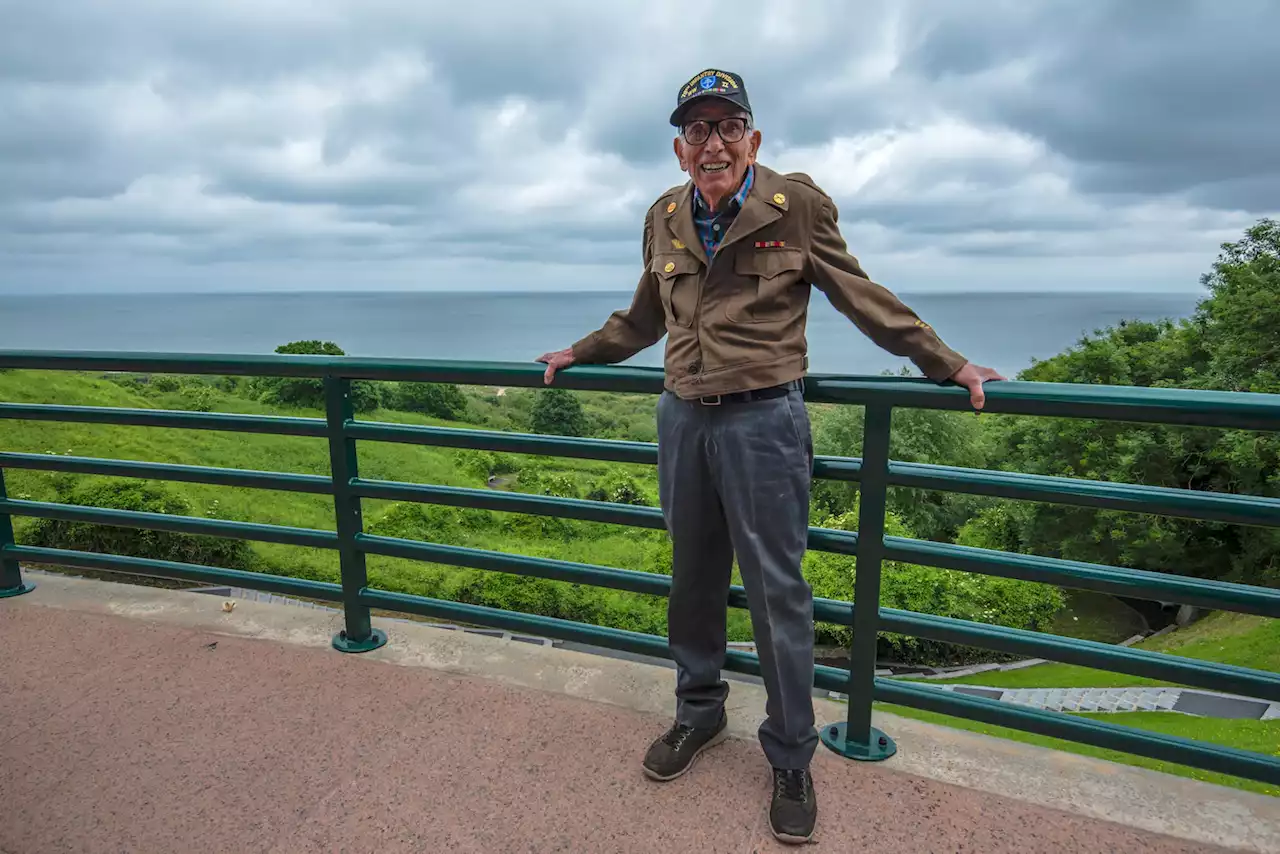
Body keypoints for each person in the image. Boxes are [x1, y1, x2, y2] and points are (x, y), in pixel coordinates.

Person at [537, 68, 1004, 844]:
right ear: (680, 149)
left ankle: (792, 754)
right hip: (683, 418)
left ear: (752, 138)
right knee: (691, 580)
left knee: (776, 593)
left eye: (727, 127)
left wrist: (946, 363)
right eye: (697, 130)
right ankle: (699, 714)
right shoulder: (662, 215)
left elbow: (861, 295)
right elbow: (642, 318)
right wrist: (581, 352)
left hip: (764, 422)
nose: (712, 142)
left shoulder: (796, 206)